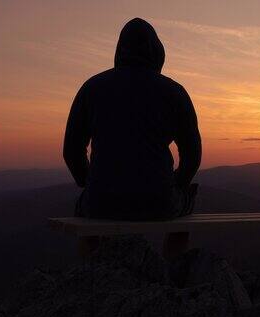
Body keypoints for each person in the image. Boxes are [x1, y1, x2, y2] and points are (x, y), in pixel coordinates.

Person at [63, 18, 202, 221]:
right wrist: (177, 184)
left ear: (119, 50)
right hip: (160, 202)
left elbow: (72, 151)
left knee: (84, 214)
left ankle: (95, 254)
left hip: (100, 202)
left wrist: (90, 182)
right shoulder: (174, 92)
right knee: (187, 200)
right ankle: (174, 254)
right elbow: (192, 155)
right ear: (157, 51)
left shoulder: (92, 88)